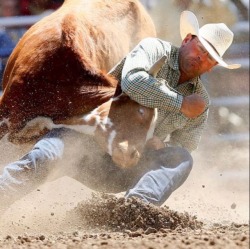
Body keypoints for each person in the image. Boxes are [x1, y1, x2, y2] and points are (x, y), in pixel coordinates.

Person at [0, 11, 240, 211]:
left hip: (128, 163)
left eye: (210, 58)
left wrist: (163, 145)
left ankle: (133, 209)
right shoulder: (155, 49)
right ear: (188, 39)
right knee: (44, 157)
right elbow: (133, 81)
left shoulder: (201, 102)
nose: (201, 58)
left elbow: (185, 145)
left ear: (212, 67)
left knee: (181, 159)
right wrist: (181, 104)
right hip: (88, 142)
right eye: (201, 48)